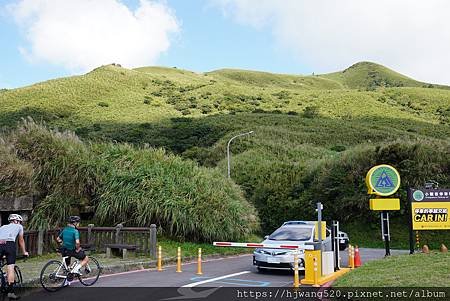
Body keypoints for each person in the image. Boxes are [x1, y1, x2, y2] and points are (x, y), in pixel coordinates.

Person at [0, 214, 29, 300]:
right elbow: (21, 240)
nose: (20, 223)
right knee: (10, 267)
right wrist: (24, 252)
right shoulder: (19, 227)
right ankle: (11, 292)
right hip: (9, 244)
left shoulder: (2, 227)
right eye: (19, 221)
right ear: (17, 221)